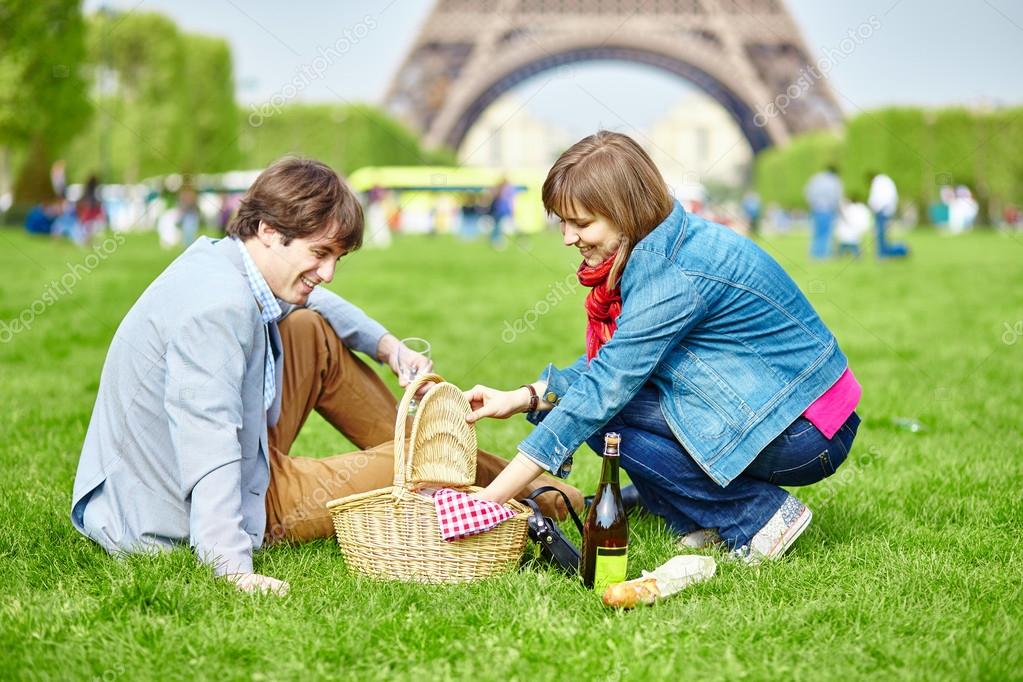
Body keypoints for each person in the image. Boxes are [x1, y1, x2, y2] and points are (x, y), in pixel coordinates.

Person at [70, 157, 581, 595]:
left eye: (336, 256)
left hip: (200, 466)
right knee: (422, 470)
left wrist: (387, 347)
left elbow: (316, 299)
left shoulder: (222, 262)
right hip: (184, 506)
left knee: (310, 325)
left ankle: (443, 459)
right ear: (269, 230)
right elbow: (208, 443)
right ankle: (555, 498)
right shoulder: (216, 310)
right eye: (320, 253)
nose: (329, 271)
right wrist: (230, 565)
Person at [465, 132, 861, 563]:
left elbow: (602, 389)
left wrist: (487, 502)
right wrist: (522, 398)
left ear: (624, 212)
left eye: (580, 223)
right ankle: (689, 510)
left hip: (805, 429)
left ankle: (756, 516)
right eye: (562, 222)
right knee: (588, 405)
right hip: (796, 410)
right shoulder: (667, 238)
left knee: (600, 414)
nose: (566, 238)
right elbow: (615, 360)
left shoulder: (669, 273)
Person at [804, 165, 843, 259]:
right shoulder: (835, 181)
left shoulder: (816, 178)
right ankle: (824, 254)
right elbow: (837, 196)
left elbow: (807, 192)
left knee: (816, 232)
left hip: (816, 209)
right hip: (828, 209)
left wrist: (813, 204)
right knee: (826, 233)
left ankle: (814, 253)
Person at [867, 171, 907, 258]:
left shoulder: (877, 182)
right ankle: (896, 250)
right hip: (887, 211)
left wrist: (873, 208)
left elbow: (874, 199)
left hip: (881, 211)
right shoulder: (887, 181)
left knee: (881, 236)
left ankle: (885, 254)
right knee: (883, 236)